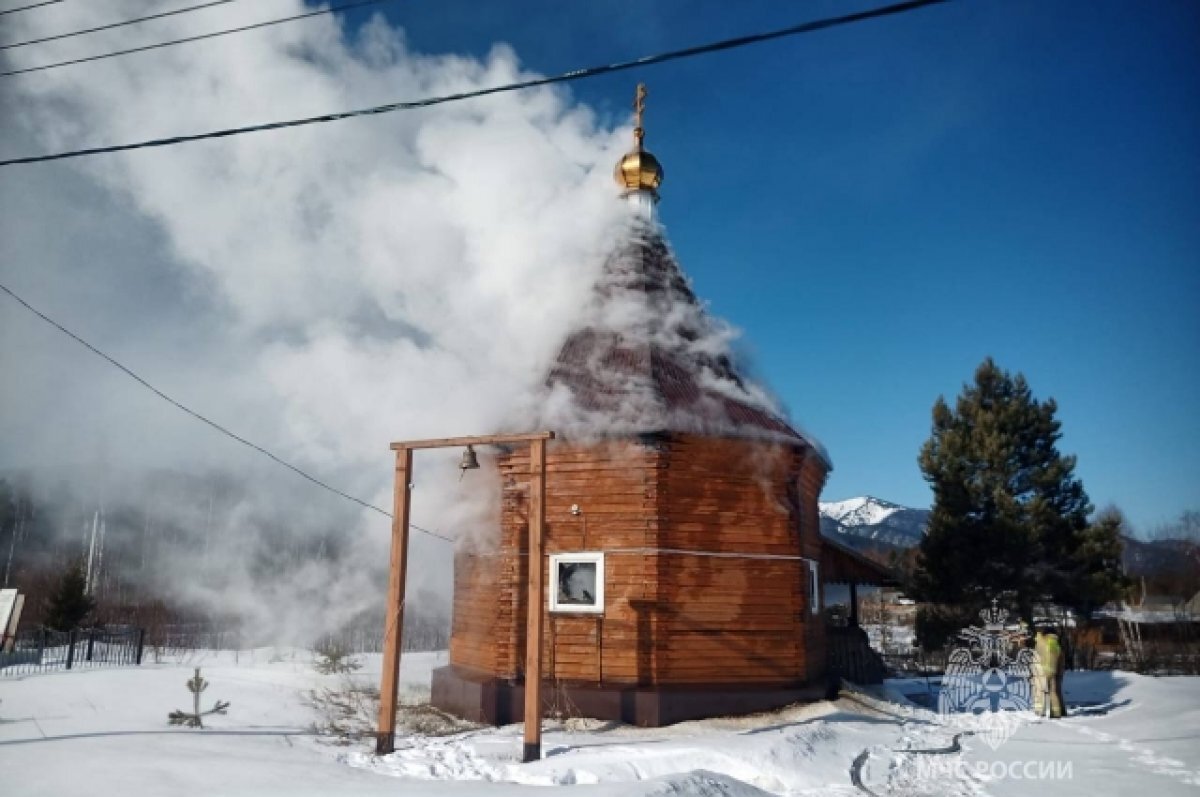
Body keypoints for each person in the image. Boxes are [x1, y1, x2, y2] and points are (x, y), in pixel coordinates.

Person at [1033, 626, 1065, 718]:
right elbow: (1059, 658)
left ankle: (1040, 711)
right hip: (1053, 671)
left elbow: (1036, 654)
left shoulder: (1042, 642)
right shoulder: (1056, 644)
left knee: (1040, 691)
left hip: (1042, 671)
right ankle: (1056, 712)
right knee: (1053, 692)